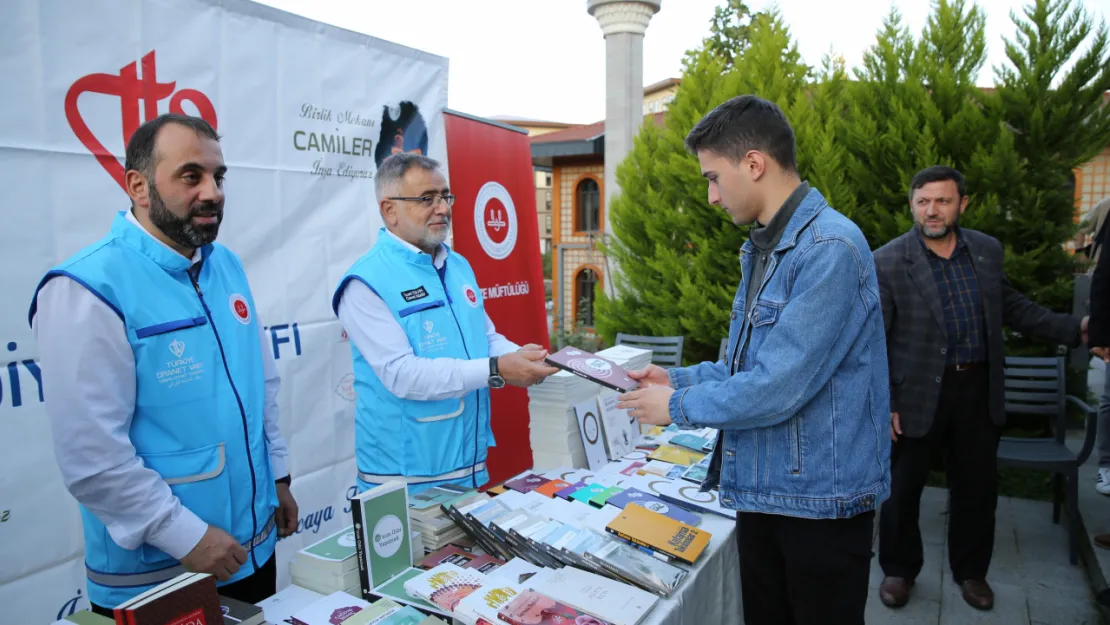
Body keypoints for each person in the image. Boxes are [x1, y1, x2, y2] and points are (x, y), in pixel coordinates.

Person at [616, 95, 891, 625]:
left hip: (818, 505)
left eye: (714, 178)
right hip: (769, 492)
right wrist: (672, 377)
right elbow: (745, 366)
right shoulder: (764, 247)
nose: (713, 197)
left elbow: (777, 385)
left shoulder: (830, 248)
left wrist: (677, 405)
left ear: (755, 164)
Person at [29, 114, 298, 614]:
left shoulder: (226, 264)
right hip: (160, 575)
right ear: (138, 186)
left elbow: (259, 383)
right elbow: (93, 458)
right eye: (190, 176)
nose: (213, 192)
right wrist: (185, 536)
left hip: (251, 551)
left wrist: (277, 476)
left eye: (219, 177)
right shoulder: (88, 288)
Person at [874, 165, 1086, 611]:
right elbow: (874, 340)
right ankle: (899, 570)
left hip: (976, 390)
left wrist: (1078, 330)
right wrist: (885, 401)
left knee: (976, 490)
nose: (932, 211)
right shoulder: (889, 260)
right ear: (912, 204)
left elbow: (1016, 307)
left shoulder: (987, 252)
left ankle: (971, 573)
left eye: (943, 201)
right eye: (923, 201)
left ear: (962, 204)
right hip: (913, 396)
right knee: (901, 490)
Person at [333, 153, 557, 495]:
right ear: (389, 210)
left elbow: (485, 337)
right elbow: (402, 374)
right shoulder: (365, 282)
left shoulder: (457, 265)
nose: (442, 208)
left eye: (445, 196)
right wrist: (497, 369)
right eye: (427, 199)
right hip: (403, 483)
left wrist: (524, 358)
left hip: (469, 468)